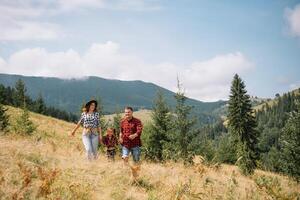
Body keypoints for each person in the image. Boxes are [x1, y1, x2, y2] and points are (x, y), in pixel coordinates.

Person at [119, 106, 143, 180]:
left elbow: (139, 130)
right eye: (126, 112)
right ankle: (126, 172)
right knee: (125, 157)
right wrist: (120, 138)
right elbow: (121, 131)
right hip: (125, 144)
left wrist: (134, 135)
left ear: (132, 112)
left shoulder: (137, 121)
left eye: (128, 112)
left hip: (135, 144)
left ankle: (137, 175)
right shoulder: (122, 121)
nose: (127, 114)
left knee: (136, 160)